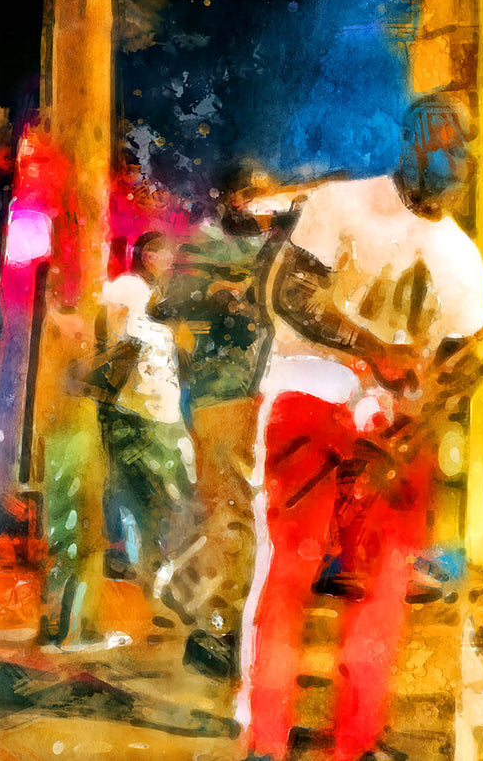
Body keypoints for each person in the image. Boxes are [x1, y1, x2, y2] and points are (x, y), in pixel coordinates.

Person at [236, 96, 483, 761]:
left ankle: (358, 741)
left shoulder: (464, 256)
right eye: (447, 143)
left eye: (467, 147)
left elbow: (462, 359)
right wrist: (373, 346)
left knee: (384, 587)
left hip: (399, 431)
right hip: (312, 396)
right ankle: (266, 739)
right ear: (412, 140)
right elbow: (291, 292)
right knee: (291, 567)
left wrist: (434, 402)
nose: (460, 159)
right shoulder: (340, 204)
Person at [156, 158, 284, 663]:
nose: (257, 206)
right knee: (231, 514)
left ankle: (199, 597)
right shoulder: (205, 244)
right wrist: (216, 296)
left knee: (254, 515)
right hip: (223, 392)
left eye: (263, 196)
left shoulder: (279, 249)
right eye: (250, 195)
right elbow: (168, 305)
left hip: (272, 391)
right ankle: (218, 629)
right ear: (231, 199)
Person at [95, 231, 199, 613]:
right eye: (157, 252)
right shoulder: (128, 289)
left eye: (167, 254)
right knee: (157, 492)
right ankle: (146, 570)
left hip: (164, 409)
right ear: (143, 254)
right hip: (137, 410)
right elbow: (111, 345)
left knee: (175, 489)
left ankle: (156, 570)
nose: (164, 261)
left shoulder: (162, 299)